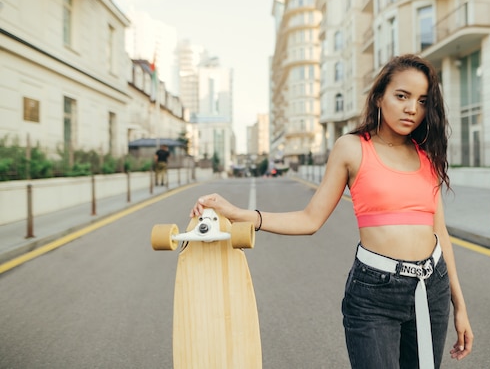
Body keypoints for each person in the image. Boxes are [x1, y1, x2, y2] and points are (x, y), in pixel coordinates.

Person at [191, 54, 473, 368]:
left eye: (422, 101)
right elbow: (310, 219)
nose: (411, 109)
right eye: (402, 96)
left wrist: (459, 306)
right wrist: (243, 214)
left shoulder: (427, 156)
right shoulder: (352, 148)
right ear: (379, 97)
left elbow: (440, 233)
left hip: (431, 288)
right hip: (374, 293)